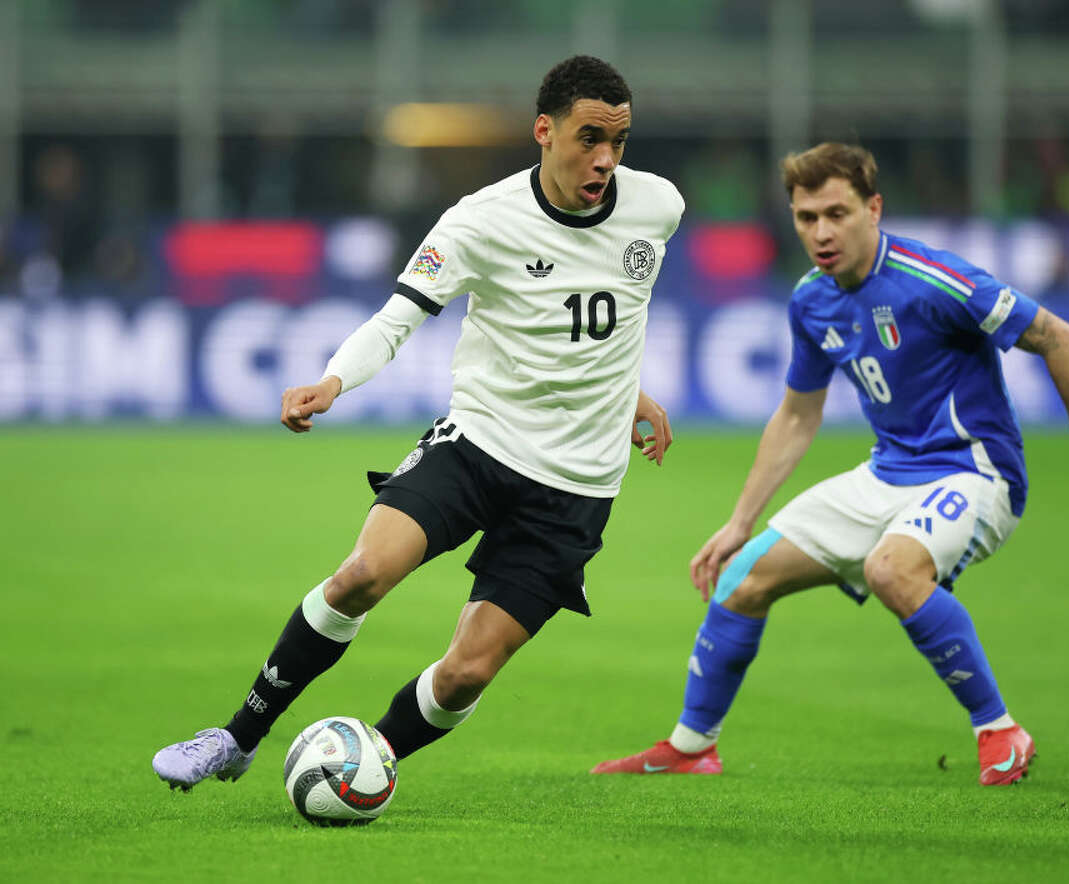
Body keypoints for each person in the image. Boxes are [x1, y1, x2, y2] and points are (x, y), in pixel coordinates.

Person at [153, 55, 684, 791]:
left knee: (467, 671)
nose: (606, 159)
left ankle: (368, 765)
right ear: (543, 130)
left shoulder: (657, 207)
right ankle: (237, 738)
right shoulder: (479, 221)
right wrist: (334, 379)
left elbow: (612, 317)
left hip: (576, 487)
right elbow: (396, 319)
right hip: (479, 444)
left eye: (619, 141)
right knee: (361, 575)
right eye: (589, 136)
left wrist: (628, 391)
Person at [592, 142, 1069, 786]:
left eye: (837, 213)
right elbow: (798, 415)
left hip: (974, 475)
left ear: (874, 209)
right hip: (886, 473)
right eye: (807, 218)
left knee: (890, 569)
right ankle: (693, 747)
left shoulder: (935, 281)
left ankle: (999, 731)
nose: (821, 232)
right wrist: (739, 521)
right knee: (741, 579)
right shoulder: (811, 300)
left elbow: (1061, 337)